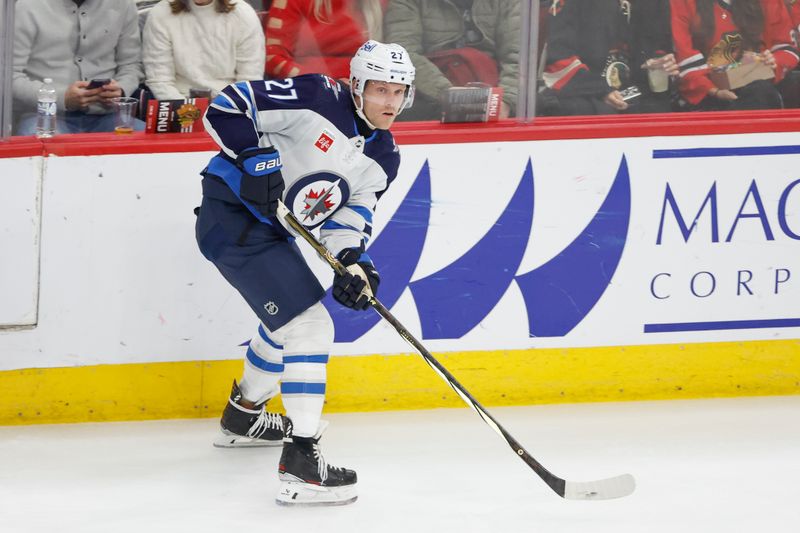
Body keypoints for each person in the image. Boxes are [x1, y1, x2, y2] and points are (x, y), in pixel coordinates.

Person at [196, 40, 415, 506]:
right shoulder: (316, 97)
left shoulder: (385, 157)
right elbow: (226, 107)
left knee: (289, 321)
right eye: (380, 90)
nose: (391, 103)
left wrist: (355, 261)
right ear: (356, 87)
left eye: (399, 92)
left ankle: (243, 416)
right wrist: (252, 155)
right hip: (230, 217)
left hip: (270, 234)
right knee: (310, 326)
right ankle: (302, 460)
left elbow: (347, 220)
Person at [12, 0, 145, 135]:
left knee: (150, 143)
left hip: (107, 114)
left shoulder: (123, 5)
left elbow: (131, 64)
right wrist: (60, 97)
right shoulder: (27, 6)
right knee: (40, 144)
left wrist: (121, 90)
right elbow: (9, 76)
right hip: (43, 115)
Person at [383, 0, 520, 120]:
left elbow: (519, 56)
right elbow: (402, 54)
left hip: (498, 95)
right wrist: (448, 94)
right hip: (430, 97)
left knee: (533, 107)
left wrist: (505, 101)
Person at [541, 0, 678, 116]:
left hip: (637, 95)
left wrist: (657, 62)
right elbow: (559, 60)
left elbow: (658, 47)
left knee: (659, 108)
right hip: (587, 98)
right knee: (581, 109)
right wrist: (600, 91)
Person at [671, 0, 799, 111]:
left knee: (763, 90)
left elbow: (787, 48)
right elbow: (683, 58)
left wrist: (774, 60)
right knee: (759, 93)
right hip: (708, 95)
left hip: (763, 84)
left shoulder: (769, 3)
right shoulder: (684, 3)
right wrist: (714, 91)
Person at [142, 0, 266, 101]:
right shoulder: (161, 14)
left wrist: (220, 111)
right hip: (178, 105)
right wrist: (188, 111)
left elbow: (249, 80)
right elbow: (160, 80)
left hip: (229, 106)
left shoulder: (243, 15)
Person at [265, 0, 385, 80]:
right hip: (311, 94)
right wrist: (323, 83)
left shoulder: (378, 4)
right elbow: (272, 57)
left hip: (369, 95)